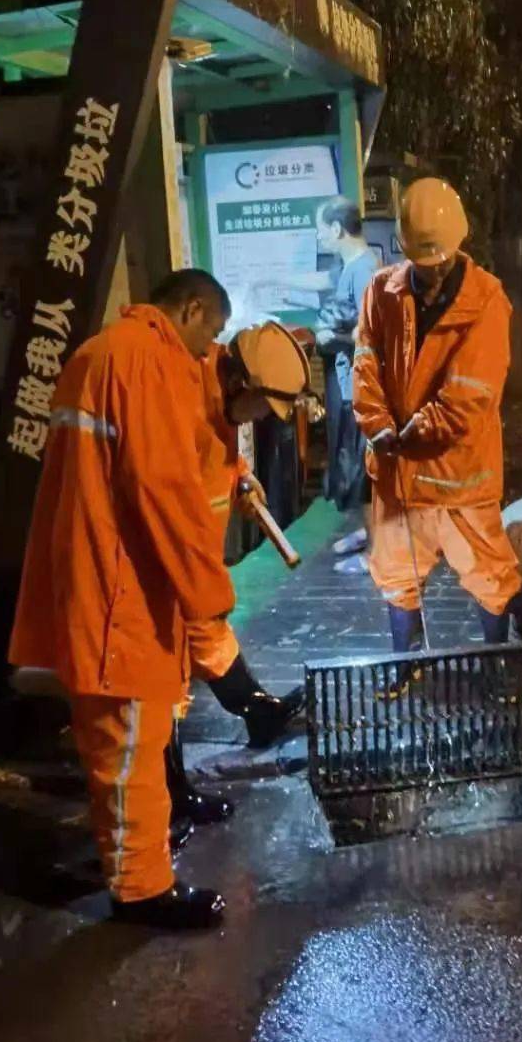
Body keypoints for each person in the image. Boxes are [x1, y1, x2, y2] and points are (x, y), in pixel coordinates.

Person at [9, 269, 237, 931]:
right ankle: (142, 888)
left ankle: (129, 868)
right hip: (123, 589)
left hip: (91, 579)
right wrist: (206, 593)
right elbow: (162, 488)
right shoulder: (147, 361)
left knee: (115, 740)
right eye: (209, 336)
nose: (205, 356)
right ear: (190, 310)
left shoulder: (95, 354)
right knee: (132, 740)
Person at [352, 178, 521, 661]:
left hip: (458, 475)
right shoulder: (381, 291)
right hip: (397, 472)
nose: (435, 271)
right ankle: (406, 663)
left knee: (489, 574)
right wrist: (377, 423)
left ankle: (494, 664)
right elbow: (366, 361)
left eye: (442, 260)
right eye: (425, 264)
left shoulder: (487, 300)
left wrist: (414, 432)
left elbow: (472, 392)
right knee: (395, 572)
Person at [170, 320, 311, 826]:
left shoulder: (216, 387)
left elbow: (220, 450)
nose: (262, 421)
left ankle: (260, 711)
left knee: (208, 634)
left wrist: (242, 480)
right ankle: (168, 789)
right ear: (242, 384)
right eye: (263, 408)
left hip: (194, 556)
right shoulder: (179, 396)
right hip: (167, 559)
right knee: (165, 676)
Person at [311, 197, 379, 572]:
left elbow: (370, 332)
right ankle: (366, 533)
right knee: (352, 465)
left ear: (337, 230)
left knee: (362, 469)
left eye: (320, 229)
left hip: (360, 386)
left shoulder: (365, 269)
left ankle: (376, 552)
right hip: (348, 381)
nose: (318, 237)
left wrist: (330, 337)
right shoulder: (352, 266)